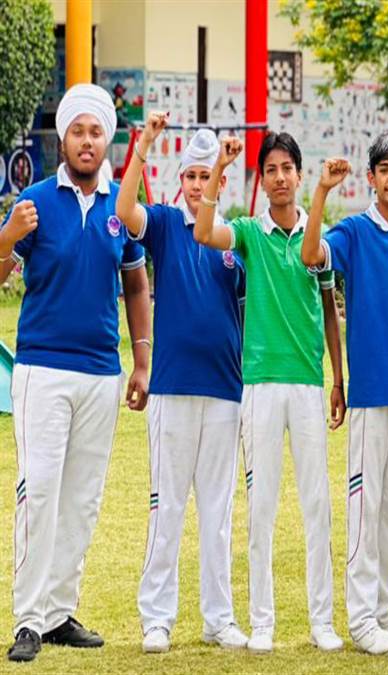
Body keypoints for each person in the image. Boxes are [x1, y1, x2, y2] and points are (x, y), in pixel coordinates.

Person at [0, 83, 152, 663]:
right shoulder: (35, 201)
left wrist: (142, 359)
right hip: (42, 368)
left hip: (100, 373)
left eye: (96, 132)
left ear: (107, 139)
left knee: (82, 499)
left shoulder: (120, 208)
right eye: (77, 131)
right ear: (63, 139)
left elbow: (135, 285)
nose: (87, 141)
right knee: (39, 492)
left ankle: (59, 612)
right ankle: (28, 619)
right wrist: (8, 236)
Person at [194, 132, 346, 655]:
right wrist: (219, 167)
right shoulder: (248, 233)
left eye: (287, 168)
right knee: (261, 508)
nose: (280, 178)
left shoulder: (317, 237)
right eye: (271, 170)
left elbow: (327, 303)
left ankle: (322, 621)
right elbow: (203, 231)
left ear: (299, 175)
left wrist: (338, 378)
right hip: (259, 384)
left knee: (317, 506)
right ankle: (262, 622)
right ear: (262, 180)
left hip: (306, 383)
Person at [116, 113, 250, 654]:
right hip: (172, 388)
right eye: (192, 176)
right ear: (181, 180)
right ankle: (157, 618)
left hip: (225, 389)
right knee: (166, 506)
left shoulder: (235, 238)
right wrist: (144, 144)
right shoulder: (167, 224)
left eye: (207, 176)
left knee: (218, 511)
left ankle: (219, 619)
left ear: (221, 180)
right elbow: (124, 211)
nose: (198, 186)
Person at [299, 136, 388, 655]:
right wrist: (322, 191)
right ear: (371, 178)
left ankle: (384, 607)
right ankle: (360, 619)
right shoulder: (355, 231)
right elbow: (311, 254)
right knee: (365, 505)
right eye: (384, 169)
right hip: (368, 395)